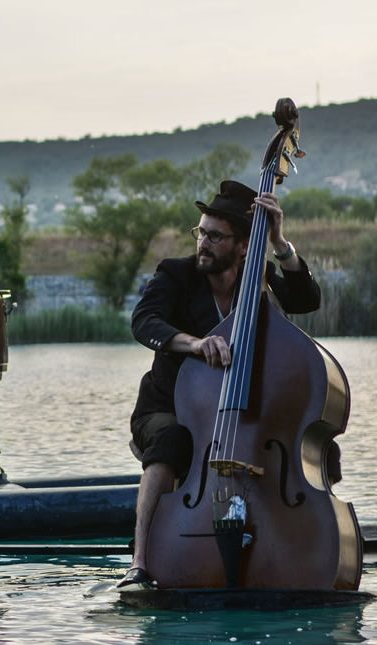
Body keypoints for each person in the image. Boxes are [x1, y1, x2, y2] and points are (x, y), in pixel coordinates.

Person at [119, 180, 322, 588]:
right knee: (171, 442)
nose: (203, 243)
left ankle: (306, 545)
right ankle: (140, 563)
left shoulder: (257, 276)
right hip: (170, 407)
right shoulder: (175, 273)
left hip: (239, 415)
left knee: (317, 451)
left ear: (244, 245)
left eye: (215, 236)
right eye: (201, 233)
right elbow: (144, 322)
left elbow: (306, 301)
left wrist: (280, 244)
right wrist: (194, 344)